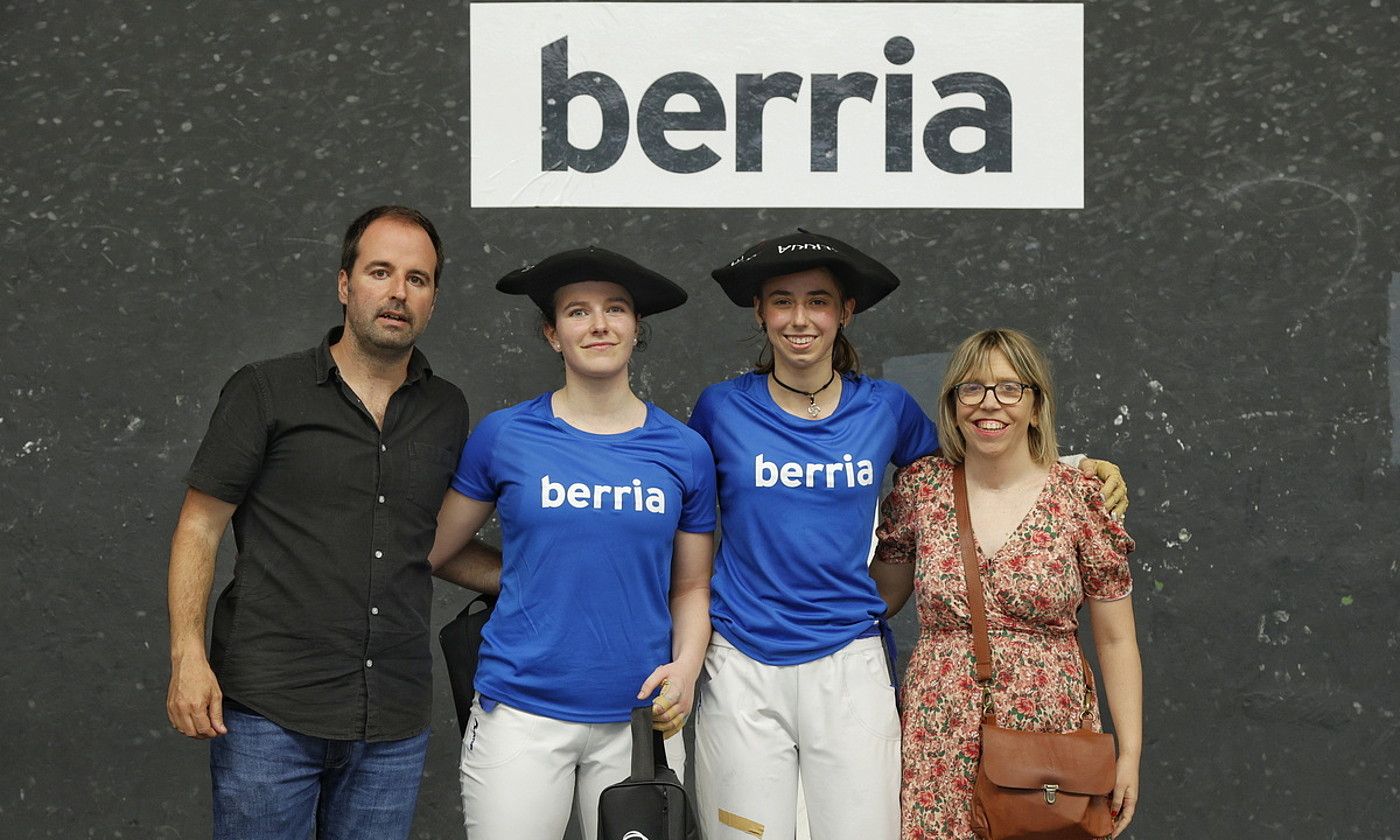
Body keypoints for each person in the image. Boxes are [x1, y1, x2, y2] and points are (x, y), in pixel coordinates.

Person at [687, 230, 1128, 840]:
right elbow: (673, 504)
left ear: (846, 312)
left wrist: (1075, 468)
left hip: (849, 657)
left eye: (818, 300)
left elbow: (972, 462)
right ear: (759, 312)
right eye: (781, 300)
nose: (799, 318)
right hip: (740, 655)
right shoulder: (720, 409)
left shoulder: (885, 408)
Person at [165, 205, 499, 839]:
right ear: (345, 285)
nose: (398, 292)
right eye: (380, 271)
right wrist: (187, 655)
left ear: (432, 300)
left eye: (418, 279)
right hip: (270, 712)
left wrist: (530, 580)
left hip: (392, 722)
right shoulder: (266, 391)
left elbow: (428, 544)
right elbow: (198, 528)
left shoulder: (447, 409)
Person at [425, 247, 716, 840]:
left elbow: (690, 585)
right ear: (552, 334)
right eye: (578, 312)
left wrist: (685, 669)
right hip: (521, 711)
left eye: (616, 310)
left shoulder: (685, 450)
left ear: (637, 329)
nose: (599, 324)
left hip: (640, 719)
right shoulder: (505, 435)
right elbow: (436, 550)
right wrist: (524, 579)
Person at [871, 328, 1142, 839]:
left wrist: (1128, 754)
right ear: (952, 407)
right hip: (939, 732)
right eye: (971, 389)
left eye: (1009, 388)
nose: (988, 403)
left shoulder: (1081, 498)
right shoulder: (922, 490)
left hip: (1048, 730)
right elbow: (877, 597)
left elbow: (1116, 638)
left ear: (1036, 406)